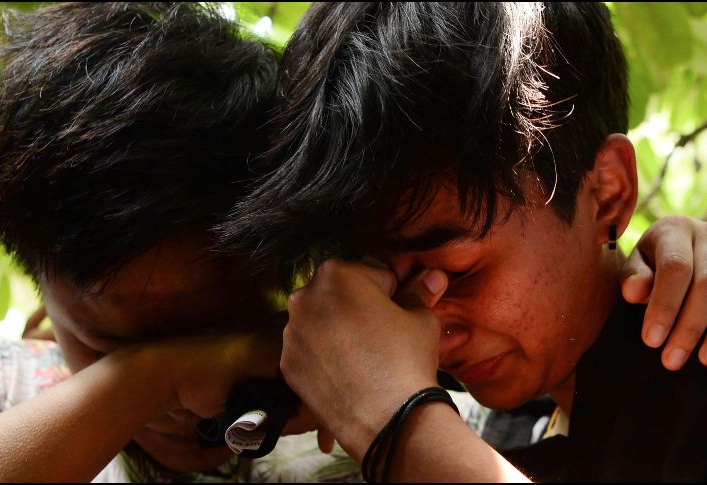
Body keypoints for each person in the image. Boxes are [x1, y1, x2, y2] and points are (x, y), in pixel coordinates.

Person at [219, 2, 707, 481]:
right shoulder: (507, 424)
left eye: (457, 271)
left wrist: (395, 422)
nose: (430, 332)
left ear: (607, 193)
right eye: (384, 291)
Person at [0, 3, 360, 482]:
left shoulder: (393, 428)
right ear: (42, 291)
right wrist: (151, 380)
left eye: (221, 334)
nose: (191, 402)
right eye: (112, 345)